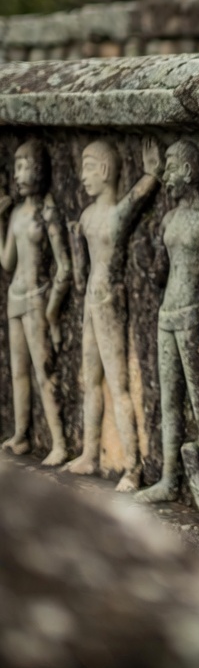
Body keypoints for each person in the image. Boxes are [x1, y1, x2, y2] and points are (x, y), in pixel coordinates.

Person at [136, 140, 199, 522]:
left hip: (194, 317)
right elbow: (162, 274)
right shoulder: (170, 220)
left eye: (171, 165)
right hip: (167, 315)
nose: (166, 175)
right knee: (169, 400)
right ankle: (168, 478)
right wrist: (147, 260)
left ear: (190, 172)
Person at [66, 137, 161, 491]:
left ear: (105, 171)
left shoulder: (114, 215)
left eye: (89, 168)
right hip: (93, 296)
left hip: (107, 298)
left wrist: (152, 172)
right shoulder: (88, 216)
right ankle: (91, 452)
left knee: (118, 383)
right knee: (90, 378)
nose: (82, 176)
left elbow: (137, 198)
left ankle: (132, 467)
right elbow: (80, 273)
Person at [0, 141, 70, 465]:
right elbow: (7, 261)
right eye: (17, 167)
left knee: (44, 371)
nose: (20, 174)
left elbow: (64, 266)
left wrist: (54, 310)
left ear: (39, 170)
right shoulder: (16, 213)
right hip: (16, 295)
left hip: (37, 297)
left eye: (26, 166)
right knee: (19, 372)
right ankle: (21, 435)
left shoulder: (47, 213)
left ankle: (59, 442)